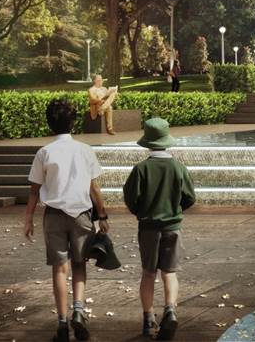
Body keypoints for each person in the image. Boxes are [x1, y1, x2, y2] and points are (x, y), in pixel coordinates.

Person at [23, 98, 109, 342]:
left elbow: (33, 191)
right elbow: (95, 189)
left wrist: (28, 219)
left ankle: (62, 323)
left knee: (60, 269)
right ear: (74, 122)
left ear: (50, 124)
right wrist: (101, 215)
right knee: (79, 264)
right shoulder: (84, 149)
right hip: (81, 214)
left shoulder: (44, 152)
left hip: (54, 216)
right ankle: (79, 312)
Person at [123, 118, 195, 341]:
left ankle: (147, 320)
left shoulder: (141, 169)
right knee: (170, 273)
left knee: (148, 273)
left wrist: (142, 212)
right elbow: (190, 197)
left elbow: (130, 197)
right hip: (172, 226)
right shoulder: (178, 167)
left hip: (148, 228)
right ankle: (170, 310)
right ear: (167, 140)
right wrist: (176, 209)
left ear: (147, 142)